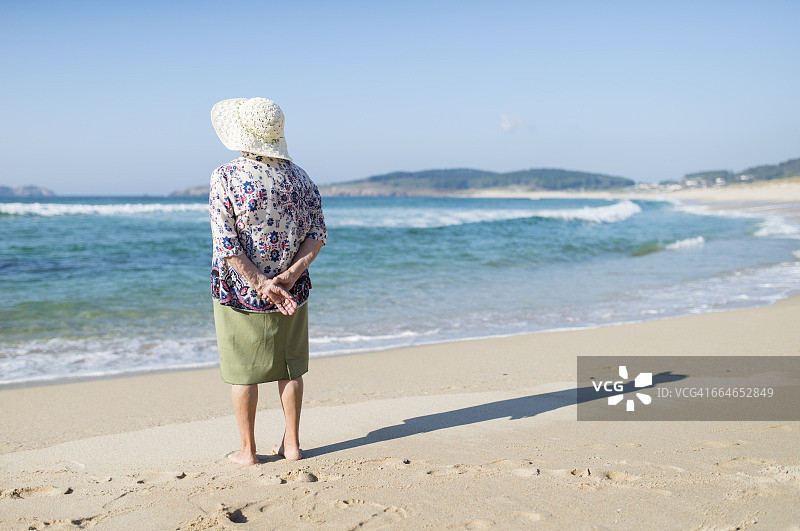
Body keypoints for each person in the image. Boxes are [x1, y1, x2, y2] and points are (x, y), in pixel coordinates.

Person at [209, 97, 326, 465]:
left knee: (243, 372)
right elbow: (317, 234)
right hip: (292, 292)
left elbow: (226, 243)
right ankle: (291, 445)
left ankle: (248, 451)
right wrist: (288, 277)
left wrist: (261, 282)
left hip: (240, 291)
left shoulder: (226, 176)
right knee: (289, 368)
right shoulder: (300, 177)